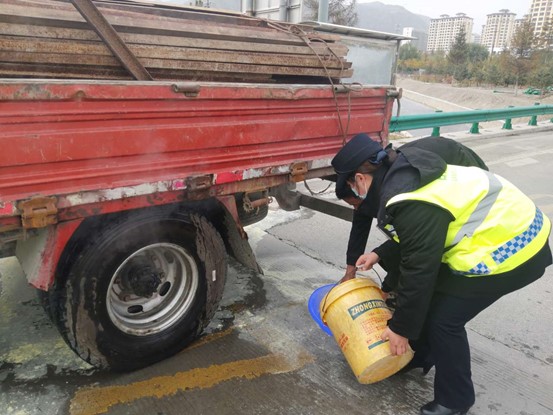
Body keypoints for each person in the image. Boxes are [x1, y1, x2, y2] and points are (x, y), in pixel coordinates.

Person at [331, 133, 552, 415]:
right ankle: (418, 356)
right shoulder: (405, 169)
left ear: (360, 179)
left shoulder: (406, 198)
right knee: (428, 305)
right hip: (507, 231)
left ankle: (455, 401)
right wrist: (380, 254)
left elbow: (419, 269)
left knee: (443, 320)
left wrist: (400, 328)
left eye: (352, 187)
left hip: (513, 248)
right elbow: (422, 237)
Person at [338, 136, 489, 283]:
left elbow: (415, 251)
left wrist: (388, 288)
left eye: (356, 204)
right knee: (393, 253)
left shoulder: (401, 193)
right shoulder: (377, 179)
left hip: (465, 171)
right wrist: (350, 273)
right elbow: (360, 229)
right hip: (438, 163)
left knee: (433, 255)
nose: (357, 209)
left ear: (360, 180)